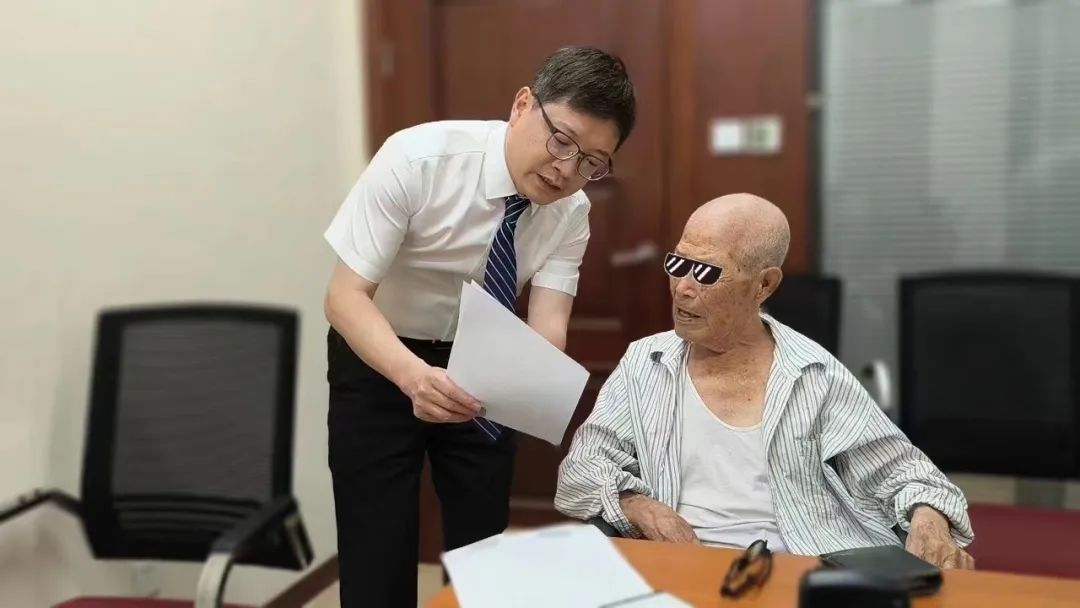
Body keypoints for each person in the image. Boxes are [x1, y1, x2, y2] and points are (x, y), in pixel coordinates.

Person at [322, 46, 636, 607]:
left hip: (488, 364)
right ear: (522, 105)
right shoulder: (417, 160)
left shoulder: (572, 213)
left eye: (593, 161)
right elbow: (344, 298)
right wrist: (413, 376)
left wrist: (529, 383)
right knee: (377, 550)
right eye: (561, 141)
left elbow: (547, 326)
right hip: (381, 356)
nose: (568, 171)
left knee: (483, 549)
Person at [554, 193, 976, 569]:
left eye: (706, 273)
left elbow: (907, 474)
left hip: (796, 569)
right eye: (677, 264)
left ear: (764, 284)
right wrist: (638, 506)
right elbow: (580, 469)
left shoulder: (812, 374)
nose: (682, 288)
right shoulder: (646, 363)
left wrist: (929, 520)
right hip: (680, 568)